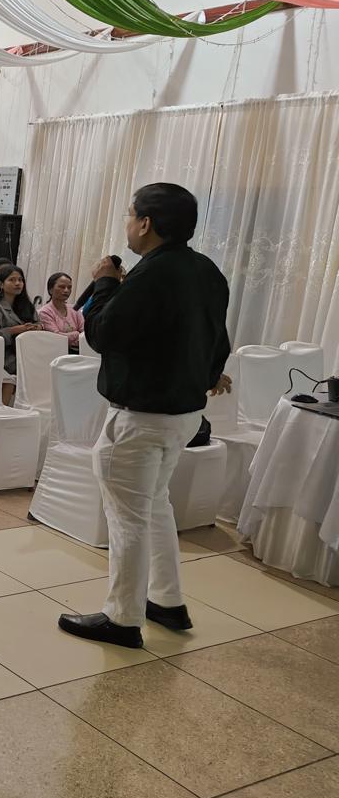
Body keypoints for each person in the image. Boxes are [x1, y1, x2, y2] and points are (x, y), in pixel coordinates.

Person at [57, 183, 232, 649]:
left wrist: (105, 282)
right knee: (155, 506)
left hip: (141, 416)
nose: (128, 225)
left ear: (146, 223)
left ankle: (122, 617)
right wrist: (203, 379)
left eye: (130, 215)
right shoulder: (206, 271)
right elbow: (219, 341)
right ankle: (167, 601)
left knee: (127, 518)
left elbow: (102, 334)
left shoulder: (151, 275)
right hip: (184, 413)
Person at [0, 264, 41, 399]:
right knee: (28, 368)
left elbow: (38, 323)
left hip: (25, 352)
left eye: (20, 280)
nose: (17, 283)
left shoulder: (27, 306)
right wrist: (14, 330)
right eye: (12, 280)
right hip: (4, 355)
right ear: (1, 284)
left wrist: (37, 328)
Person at [39, 272, 85, 349]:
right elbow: (57, 338)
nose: (66, 290)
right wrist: (76, 334)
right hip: (55, 350)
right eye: (62, 287)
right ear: (50, 290)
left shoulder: (74, 309)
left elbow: (84, 332)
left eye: (69, 287)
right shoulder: (44, 312)